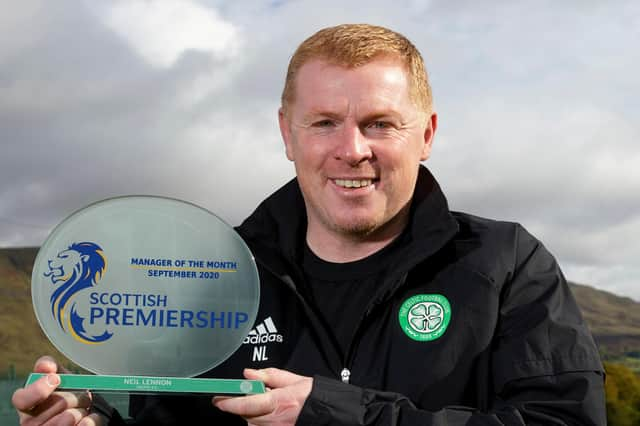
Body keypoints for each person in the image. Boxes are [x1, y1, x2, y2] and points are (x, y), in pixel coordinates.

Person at [13, 24, 606, 425]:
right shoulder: (215, 275)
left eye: (379, 123)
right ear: (286, 134)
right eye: (324, 122)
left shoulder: (506, 263)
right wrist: (91, 421)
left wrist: (341, 414)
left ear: (425, 135)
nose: (351, 150)